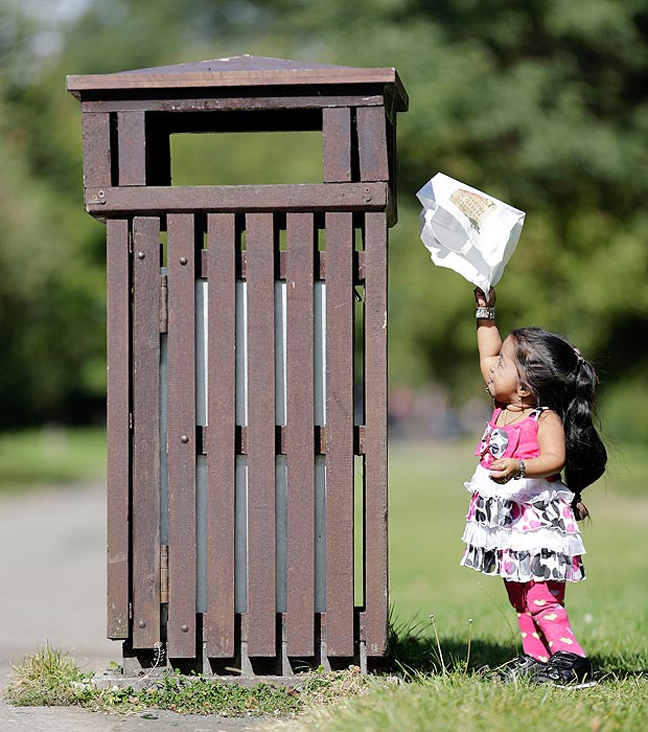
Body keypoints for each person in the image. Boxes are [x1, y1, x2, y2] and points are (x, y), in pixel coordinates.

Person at [461, 287, 606, 687]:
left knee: (541, 595)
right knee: (519, 593)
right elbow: (487, 353)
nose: (491, 369)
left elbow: (553, 459)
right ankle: (537, 658)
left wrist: (521, 466)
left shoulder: (543, 419)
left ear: (525, 388)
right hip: (511, 522)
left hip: (537, 522)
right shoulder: (503, 406)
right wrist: (485, 311)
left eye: (503, 365)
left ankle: (571, 658)